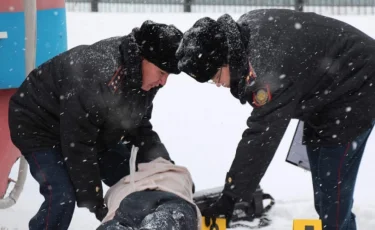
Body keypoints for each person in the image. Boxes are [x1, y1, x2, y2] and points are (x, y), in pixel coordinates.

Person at [176, 9, 375, 230]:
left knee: (332, 201)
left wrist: (230, 198)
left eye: (215, 77)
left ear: (226, 60)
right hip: (327, 93)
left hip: (357, 89)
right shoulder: (243, 34)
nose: (219, 85)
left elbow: (261, 137)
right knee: (324, 184)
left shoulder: (267, 68)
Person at [8, 20, 183, 230]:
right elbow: (79, 146)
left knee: (135, 177)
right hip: (37, 123)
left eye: (168, 75)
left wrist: (162, 164)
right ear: (144, 59)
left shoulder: (142, 77)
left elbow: (139, 126)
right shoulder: (99, 75)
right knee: (62, 195)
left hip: (86, 127)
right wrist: (97, 204)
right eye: (162, 73)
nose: (164, 82)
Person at [96, 146, 201, 230]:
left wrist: (97, 207)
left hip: (126, 204)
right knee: (169, 218)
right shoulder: (171, 170)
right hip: (168, 200)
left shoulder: (117, 187)